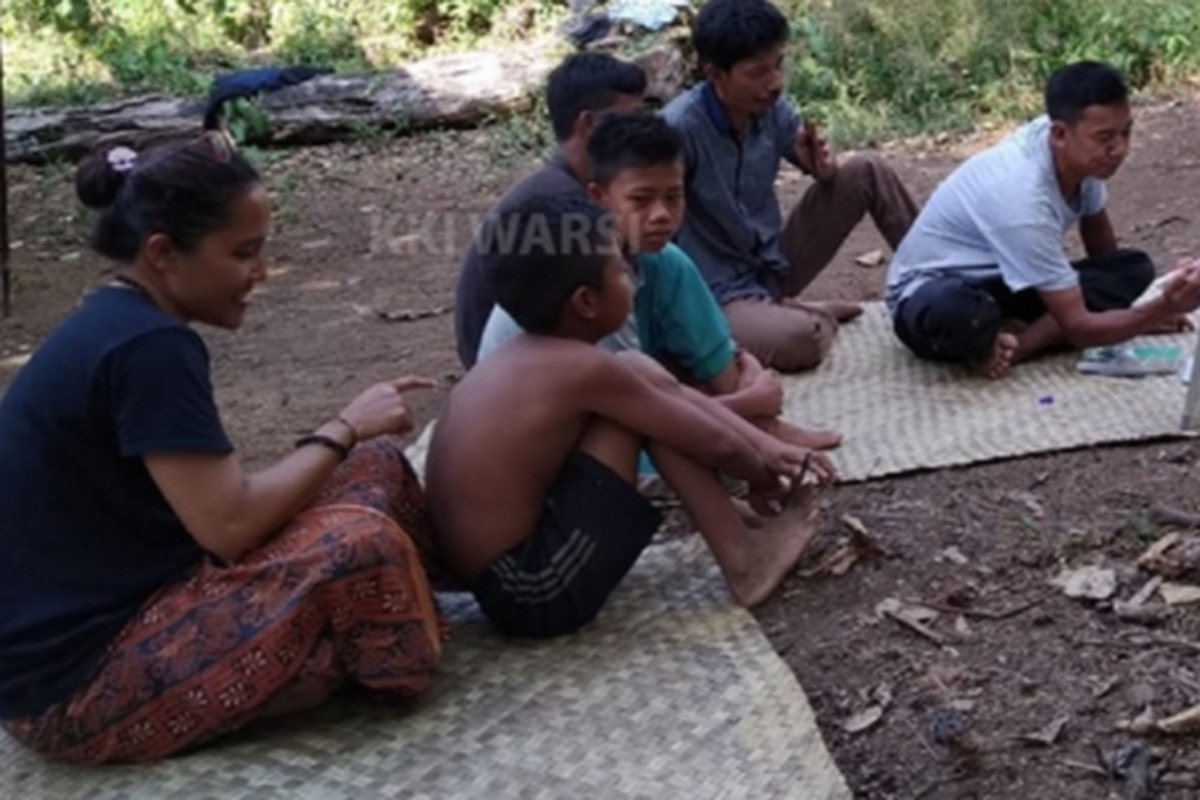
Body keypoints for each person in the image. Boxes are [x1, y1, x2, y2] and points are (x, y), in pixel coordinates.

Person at [0, 132, 447, 765]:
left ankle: (331, 657)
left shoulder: (121, 319)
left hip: (149, 592)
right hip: (74, 686)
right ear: (163, 253)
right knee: (361, 544)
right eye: (244, 253)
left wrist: (349, 442)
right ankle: (341, 664)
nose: (260, 273)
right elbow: (230, 526)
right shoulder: (148, 346)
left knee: (372, 469)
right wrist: (342, 427)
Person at [426, 194, 837, 639]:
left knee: (640, 376)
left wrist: (768, 449)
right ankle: (745, 561)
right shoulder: (585, 370)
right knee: (643, 413)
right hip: (532, 591)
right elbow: (712, 442)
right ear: (585, 302)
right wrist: (759, 473)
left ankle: (734, 521)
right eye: (622, 270)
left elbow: (670, 397)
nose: (631, 278)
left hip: (504, 578)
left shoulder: (528, 356)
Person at [479, 110, 841, 450]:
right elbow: (641, 415)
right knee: (674, 443)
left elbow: (718, 351)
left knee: (672, 266)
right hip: (561, 439)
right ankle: (749, 430)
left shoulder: (661, 260)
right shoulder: (588, 281)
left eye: (674, 197)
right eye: (641, 200)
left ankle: (763, 428)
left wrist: (745, 373)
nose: (661, 215)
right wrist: (745, 403)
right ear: (599, 198)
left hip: (622, 400)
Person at [886, 61, 1200, 378]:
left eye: (1126, 132)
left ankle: (1008, 340)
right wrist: (1160, 308)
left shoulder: (1080, 153)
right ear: (1060, 134)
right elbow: (1079, 329)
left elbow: (1104, 255)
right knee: (957, 311)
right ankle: (1010, 346)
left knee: (1131, 268)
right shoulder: (1021, 193)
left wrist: (1128, 310)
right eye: (1105, 137)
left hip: (1006, 282)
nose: (1119, 148)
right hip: (934, 294)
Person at [662, 0, 919, 373]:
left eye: (779, 65)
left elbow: (824, 173)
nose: (775, 82)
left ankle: (943, 274)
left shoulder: (773, 110)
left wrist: (824, 167)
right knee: (803, 339)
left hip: (772, 264)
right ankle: (801, 315)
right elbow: (648, 228)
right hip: (715, 292)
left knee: (867, 169)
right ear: (715, 75)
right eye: (758, 72)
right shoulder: (678, 130)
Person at [453, 50, 646, 369]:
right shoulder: (567, 208)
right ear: (589, 123)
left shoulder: (560, 189)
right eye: (630, 120)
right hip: (512, 366)